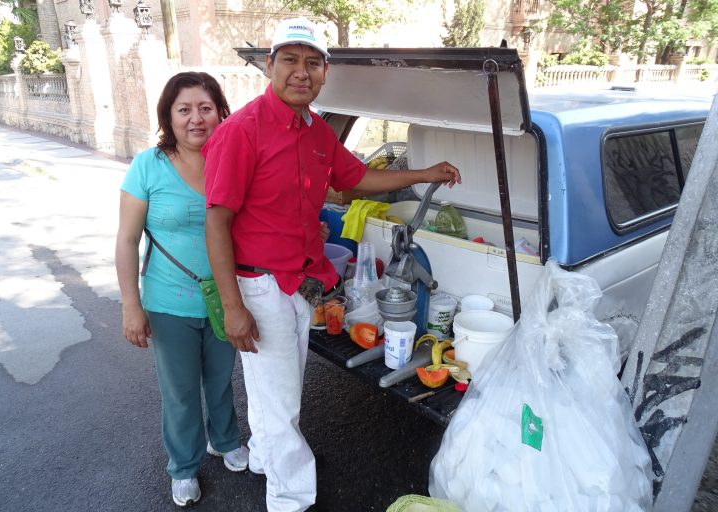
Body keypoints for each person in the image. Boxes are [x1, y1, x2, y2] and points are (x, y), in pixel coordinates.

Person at [203, 17, 461, 512]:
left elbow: (355, 178)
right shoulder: (242, 131)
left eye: (312, 62)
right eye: (290, 60)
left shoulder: (315, 130)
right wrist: (233, 307)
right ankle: (289, 499)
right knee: (281, 405)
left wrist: (427, 172)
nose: (301, 72)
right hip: (258, 286)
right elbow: (216, 222)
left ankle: (263, 456)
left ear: (325, 72)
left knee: (276, 393)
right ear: (270, 67)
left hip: (302, 281)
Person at [114, 72, 248, 508]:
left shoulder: (232, 158)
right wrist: (130, 306)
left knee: (221, 380)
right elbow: (126, 241)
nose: (196, 119)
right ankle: (184, 466)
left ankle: (225, 440)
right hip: (168, 302)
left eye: (205, 108)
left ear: (220, 112)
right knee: (181, 391)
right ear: (168, 117)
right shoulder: (147, 166)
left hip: (227, 297)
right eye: (184, 110)